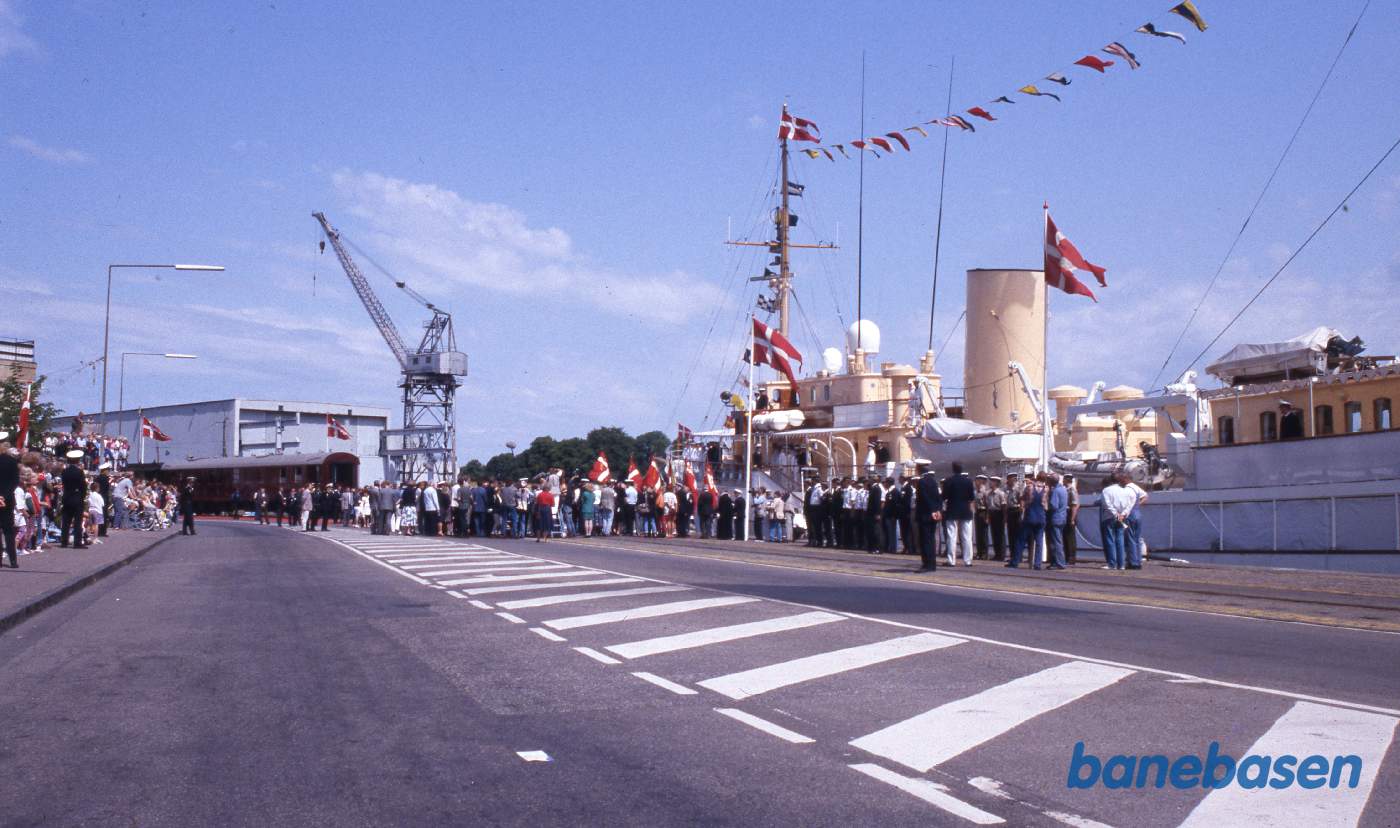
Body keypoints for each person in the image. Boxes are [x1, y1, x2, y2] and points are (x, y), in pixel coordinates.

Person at [942, 461, 976, 567]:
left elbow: (944, 496)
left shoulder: (948, 481)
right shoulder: (969, 481)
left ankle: (951, 560)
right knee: (967, 536)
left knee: (951, 536)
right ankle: (968, 560)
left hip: (952, 510)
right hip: (966, 510)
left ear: (953, 469)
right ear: (962, 469)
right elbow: (971, 497)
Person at [1100, 474, 1136, 570]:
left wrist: (1115, 514)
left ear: (1110, 480)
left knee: (1110, 540)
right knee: (1120, 540)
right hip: (1122, 517)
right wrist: (1123, 514)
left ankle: (1112, 564)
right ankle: (1121, 564)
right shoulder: (1126, 490)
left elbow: (1106, 504)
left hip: (1109, 517)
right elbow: (1130, 503)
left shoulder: (1106, 490)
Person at [913, 459, 942, 572]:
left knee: (925, 540)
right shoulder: (933, 481)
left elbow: (924, 498)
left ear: (919, 468)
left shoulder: (922, 482)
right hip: (933, 514)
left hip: (925, 514)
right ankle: (932, 564)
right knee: (931, 539)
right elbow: (938, 497)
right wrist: (937, 510)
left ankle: (926, 564)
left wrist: (931, 510)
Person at [60, 450, 88, 548]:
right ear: (77, 460)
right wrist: (82, 496)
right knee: (77, 521)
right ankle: (77, 542)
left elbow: (64, 484)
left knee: (66, 521)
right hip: (77, 497)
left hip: (67, 496)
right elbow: (83, 486)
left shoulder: (65, 471)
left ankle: (64, 541)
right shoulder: (79, 472)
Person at [0, 435, 20, 567]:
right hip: (7, 500)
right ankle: (13, 560)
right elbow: (15, 482)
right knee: (8, 531)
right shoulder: (12, 462)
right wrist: (3, 496)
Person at [1045, 474, 1069, 570]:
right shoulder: (1063, 489)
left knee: (1055, 541)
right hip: (1063, 517)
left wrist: (1047, 504)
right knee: (1059, 540)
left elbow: (1054, 505)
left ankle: (1058, 562)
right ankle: (1060, 561)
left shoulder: (1055, 491)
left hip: (1055, 518)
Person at [987, 477, 1008, 561]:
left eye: (992, 482)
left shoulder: (1001, 493)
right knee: (994, 534)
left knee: (1000, 535)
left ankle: (1002, 554)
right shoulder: (989, 494)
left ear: (996, 483)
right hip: (992, 514)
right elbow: (988, 506)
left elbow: (1004, 506)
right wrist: (988, 517)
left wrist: (1005, 517)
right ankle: (997, 554)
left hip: (999, 514)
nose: (990, 483)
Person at [1062, 474, 1080, 565]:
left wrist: (1072, 519)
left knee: (1070, 536)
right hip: (1066, 513)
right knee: (1065, 536)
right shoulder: (1065, 489)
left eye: (1064, 479)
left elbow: (1074, 505)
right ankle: (1066, 555)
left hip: (1069, 513)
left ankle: (1071, 557)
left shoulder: (1071, 490)